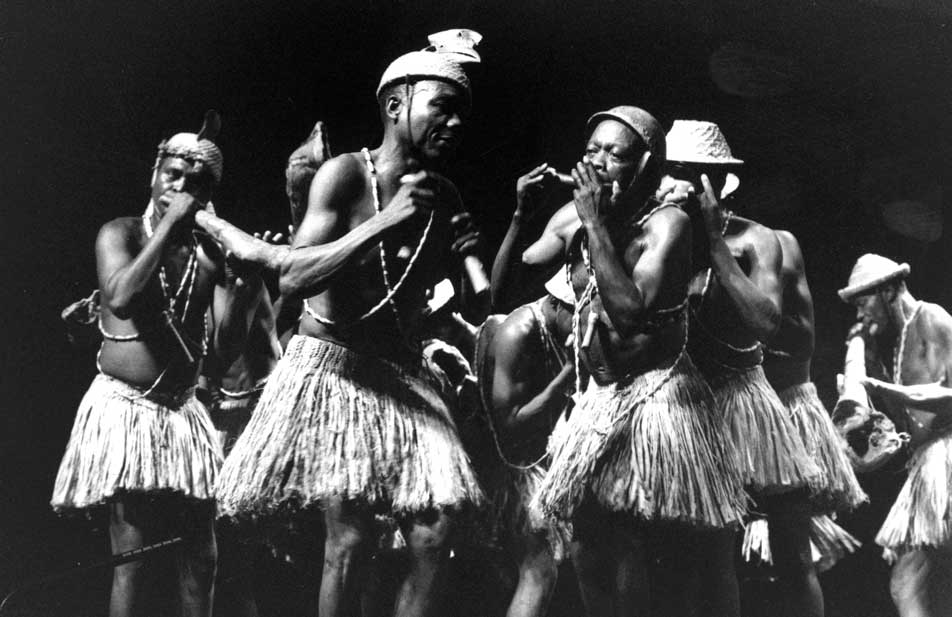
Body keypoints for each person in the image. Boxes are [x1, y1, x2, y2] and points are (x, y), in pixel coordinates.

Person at [213, 41, 484, 617]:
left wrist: (467, 262)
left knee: (436, 532)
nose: (456, 123)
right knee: (352, 540)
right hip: (333, 373)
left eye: (462, 112)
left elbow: (429, 298)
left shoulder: (444, 195)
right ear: (395, 105)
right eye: (441, 106)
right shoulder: (345, 175)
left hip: (399, 374)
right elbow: (293, 278)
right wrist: (385, 221)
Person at [525, 107, 746, 617]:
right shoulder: (594, 221)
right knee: (586, 545)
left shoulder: (668, 224)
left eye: (615, 154)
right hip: (603, 401)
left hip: (658, 401)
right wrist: (522, 216)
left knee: (640, 549)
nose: (599, 162)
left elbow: (627, 314)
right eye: (592, 151)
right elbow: (513, 279)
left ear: (645, 165)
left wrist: (593, 224)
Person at [51, 114, 262, 617]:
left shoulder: (209, 254)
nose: (181, 189)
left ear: (209, 194)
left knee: (202, 559)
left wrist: (244, 288)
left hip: (183, 412)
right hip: (126, 408)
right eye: (173, 175)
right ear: (154, 174)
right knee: (134, 558)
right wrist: (168, 226)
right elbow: (122, 297)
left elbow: (223, 353)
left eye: (196, 183)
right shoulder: (120, 233)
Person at [663, 120, 823, 617]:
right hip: (692, 407)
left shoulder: (758, 239)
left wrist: (716, 245)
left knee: (793, 554)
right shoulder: (662, 233)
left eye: (684, 172)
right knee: (707, 557)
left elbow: (767, 324)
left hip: (750, 402)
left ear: (712, 180)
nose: (671, 182)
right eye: (669, 170)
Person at [839, 254, 952, 617]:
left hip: (947, 456)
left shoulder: (931, 317)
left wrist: (884, 388)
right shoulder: (894, 342)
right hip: (927, 464)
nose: (861, 315)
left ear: (888, 291)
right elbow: (908, 421)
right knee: (914, 584)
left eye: (864, 303)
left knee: (910, 583)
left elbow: (949, 395)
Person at [472, 282, 574, 617]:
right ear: (558, 304)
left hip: (538, 461)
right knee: (539, 571)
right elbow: (510, 423)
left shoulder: (553, 328)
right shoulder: (518, 332)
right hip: (513, 468)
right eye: (577, 314)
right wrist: (566, 377)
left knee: (539, 572)